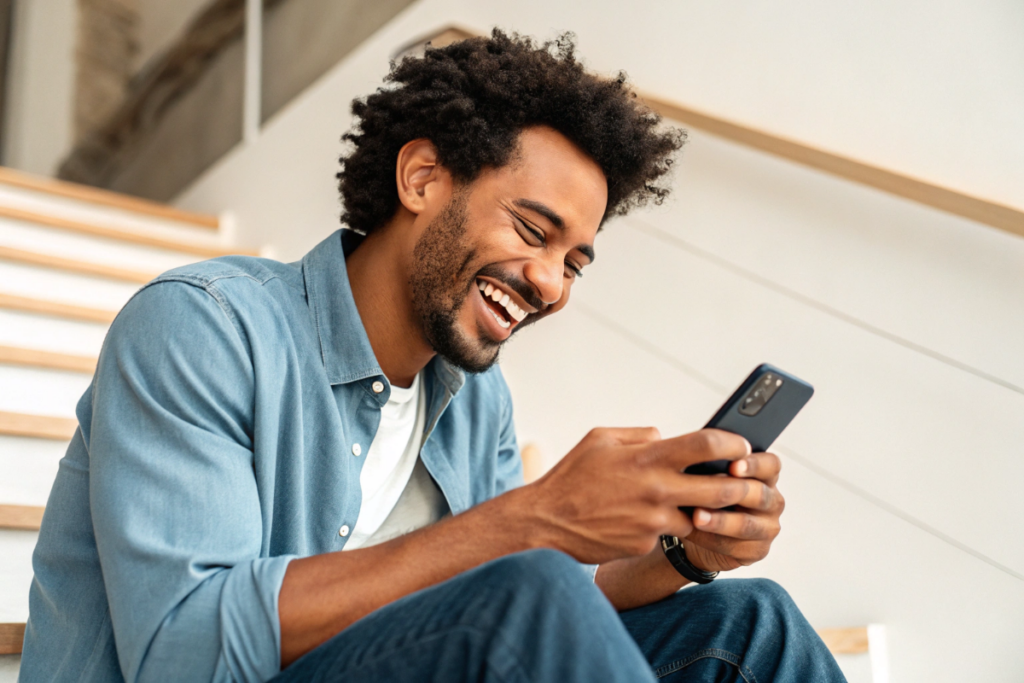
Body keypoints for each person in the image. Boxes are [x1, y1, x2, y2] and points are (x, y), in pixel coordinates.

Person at [21, 30, 846, 682]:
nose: (552, 284)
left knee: (748, 625)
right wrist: (531, 520)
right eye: (534, 231)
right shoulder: (201, 328)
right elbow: (181, 652)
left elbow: (548, 603)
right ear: (422, 177)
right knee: (529, 590)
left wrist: (677, 549)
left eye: (575, 262)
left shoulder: (474, 399)